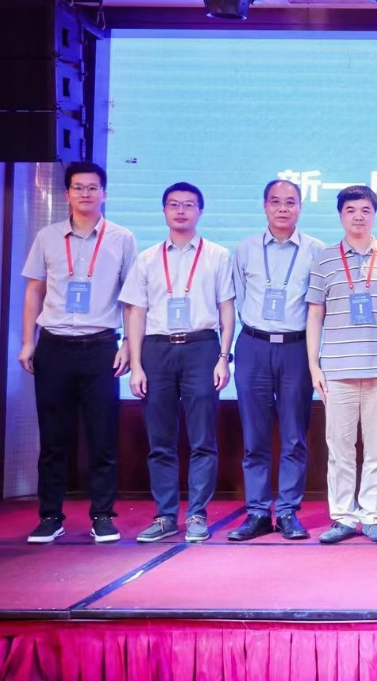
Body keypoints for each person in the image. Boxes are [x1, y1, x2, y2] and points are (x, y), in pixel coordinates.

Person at [18, 162, 138, 544]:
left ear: (104, 193)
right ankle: (50, 516)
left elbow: (133, 299)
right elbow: (34, 291)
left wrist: (128, 346)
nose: (85, 193)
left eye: (92, 187)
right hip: (54, 344)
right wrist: (28, 341)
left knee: (102, 436)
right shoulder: (48, 236)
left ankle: (102, 515)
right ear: (67, 194)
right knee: (53, 438)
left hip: (100, 346)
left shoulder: (122, 238)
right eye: (78, 187)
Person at [120, 182, 235, 543]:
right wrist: (136, 364)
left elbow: (226, 309)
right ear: (164, 210)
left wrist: (223, 357)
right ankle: (165, 516)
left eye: (188, 205)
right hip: (157, 349)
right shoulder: (147, 258)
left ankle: (198, 514)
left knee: (203, 439)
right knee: (160, 441)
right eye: (174, 204)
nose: (181, 210)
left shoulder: (218, 255)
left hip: (202, 347)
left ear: (200, 211)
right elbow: (135, 313)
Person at [227, 179, 325, 542]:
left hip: (295, 348)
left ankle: (286, 512)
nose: (283, 208)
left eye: (290, 202)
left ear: (300, 207)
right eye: (275, 201)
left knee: (294, 436)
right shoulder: (245, 249)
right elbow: (237, 297)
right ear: (264, 206)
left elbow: (317, 306)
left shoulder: (316, 251)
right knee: (254, 436)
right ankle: (256, 512)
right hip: (253, 345)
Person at [307, 186, 377, 544]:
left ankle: (373, 516)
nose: (358, 216)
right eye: (350, 210)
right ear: (340, 215)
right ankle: (344, 518)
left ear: (374, 214)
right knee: (340, 451)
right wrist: (314, 366)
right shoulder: (324, 259)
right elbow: (315, 314)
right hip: (337, 371)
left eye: (365, 209)